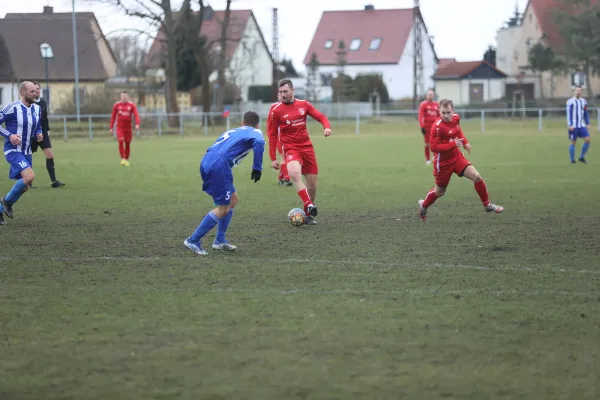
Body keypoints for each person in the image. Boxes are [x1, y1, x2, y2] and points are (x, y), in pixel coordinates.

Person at [184, 111, 265, 256]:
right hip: (219, 165)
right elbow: (259, 142)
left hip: (207, 159)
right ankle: (193, 240)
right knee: (223, 208)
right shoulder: (255, 131)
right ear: (257, 125)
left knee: (233, 200)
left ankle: (220, 240)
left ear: (242, 123)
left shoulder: (233, 130)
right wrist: (257, 168)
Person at [417, 99, 504, 221]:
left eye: (448, 112)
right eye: (443, 113)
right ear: (439, 111)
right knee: (440, 191)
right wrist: (453, 144)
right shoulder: (437, 127)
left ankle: (487, 204)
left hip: (456, 157)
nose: (446, 116)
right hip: (442, 163)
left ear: (453, 110)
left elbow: (458, 131)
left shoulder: (456, 118)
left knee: (477, 176)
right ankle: (424, 205)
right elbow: (434, 147)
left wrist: (465, 142)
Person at [268, 79, 332, 225]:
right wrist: (273, 157)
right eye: (280, 92)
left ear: (292, 90)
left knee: (312, 185)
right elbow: (272, 134)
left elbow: (321, 116)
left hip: (307, 148)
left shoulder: (304, 104)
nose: (282, 94)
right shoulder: (276, 110)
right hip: (290, 148)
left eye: (285, 91)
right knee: (295, 173)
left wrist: (326, 127)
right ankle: (309, 205)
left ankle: (308, 214)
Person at [0, 81, 44, 226]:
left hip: (27, 151)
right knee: (30, 176)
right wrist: (10, 136)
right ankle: (6, 202)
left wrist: (39, 134)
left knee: (26, 185)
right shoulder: (12, 108)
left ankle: (1, 209)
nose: (35, 93)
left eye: (36, 91)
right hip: (13, 151)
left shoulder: (37, 109)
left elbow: (38, 126)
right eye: (32, 91)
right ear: (23, 93)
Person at [31, 81, 65, 188]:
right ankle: (27, 182)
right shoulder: (28, 103)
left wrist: (48, 130)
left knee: (50, 154)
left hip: (43, 133)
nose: (36, 91)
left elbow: (45, 117)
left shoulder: (43, 102)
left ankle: (54, 181)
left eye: (38, 88)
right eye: (34, 89)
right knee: (27, 156)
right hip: (31, 133)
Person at [267, 92, 292, 186]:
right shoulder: (274, 107)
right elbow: (269, 123)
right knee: (284, 157)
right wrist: (270, 135)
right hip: (279, 136)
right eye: (280, 94)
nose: (282, 96)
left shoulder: (290, 106)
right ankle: (287, 179)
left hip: (289, 137)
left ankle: (281, 178)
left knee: (286, 157)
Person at [109, 91, 140, 166]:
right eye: (122, 97)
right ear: (120, 97)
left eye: (125, 97)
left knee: (127, 144)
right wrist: (111, 127)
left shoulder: (132, 105)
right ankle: (122, 158)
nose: (123, 98)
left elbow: (136, 115)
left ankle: (126, 159)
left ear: (127, 97)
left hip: (128, 128)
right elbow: (113, 117)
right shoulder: (116, 105)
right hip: (120, 127)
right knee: (120, 141)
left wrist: (137, 124)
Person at [566, 86, 591, 164]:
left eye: (580, 90)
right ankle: (572, 159)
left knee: (587, 140)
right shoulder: (570, 101)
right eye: (577, 90)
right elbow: (568, 114)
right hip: (573, 125)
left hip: (581, 125)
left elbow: (586, 113)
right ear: (574, 91)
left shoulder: (584, 101)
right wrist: (570, 125)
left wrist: (587, 123)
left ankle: (581, 157)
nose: (578, 92)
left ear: (581, 92)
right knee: (573, 142)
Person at [418, 89, 439, 165]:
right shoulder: (423, 104)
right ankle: (427, 159)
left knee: (436, 142)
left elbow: (439, 116)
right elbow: (420, 116)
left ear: (434, 96)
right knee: (427, 143)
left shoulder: (437, 104)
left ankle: (435, 157)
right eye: (429, 95)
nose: (430, 96)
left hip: (435, 127)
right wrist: (422, 126)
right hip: (427, 127)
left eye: (432, 95)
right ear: (426, 96)